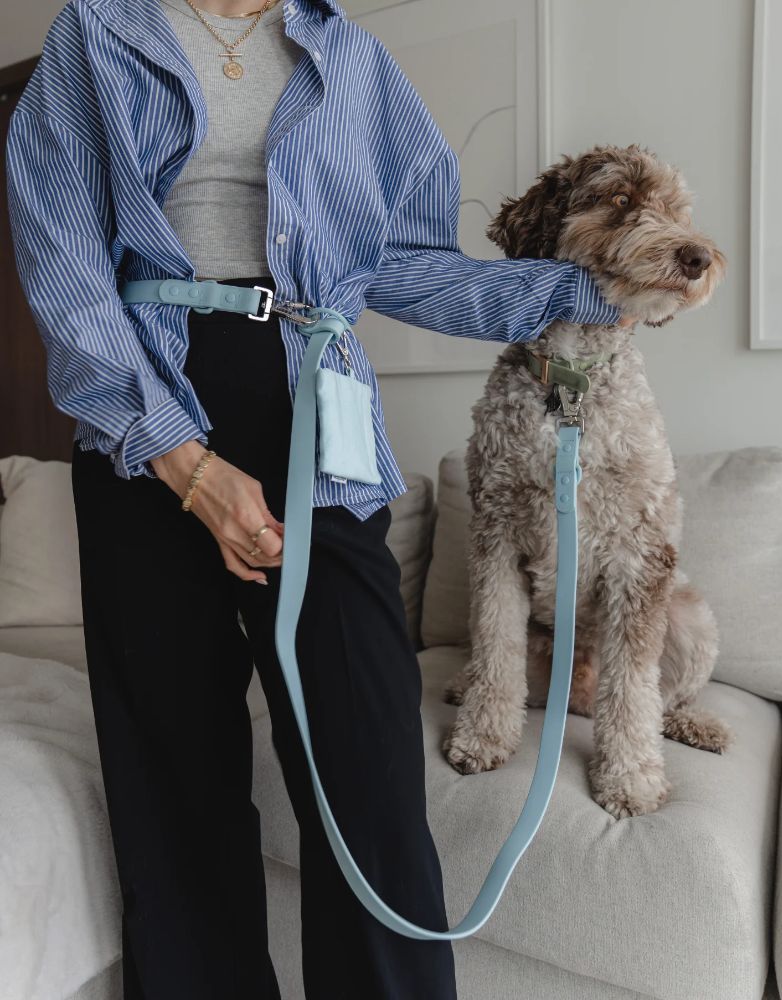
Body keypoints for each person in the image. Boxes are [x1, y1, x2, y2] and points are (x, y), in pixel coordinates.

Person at [5, 0, 632, 996]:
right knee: (175, 772)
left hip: (311, 400)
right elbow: (67, 265)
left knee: (369, 765)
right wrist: (188, 464)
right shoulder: (99, 30)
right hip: (146, 409)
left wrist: (592, 291)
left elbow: (410, 268)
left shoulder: (353, 59)